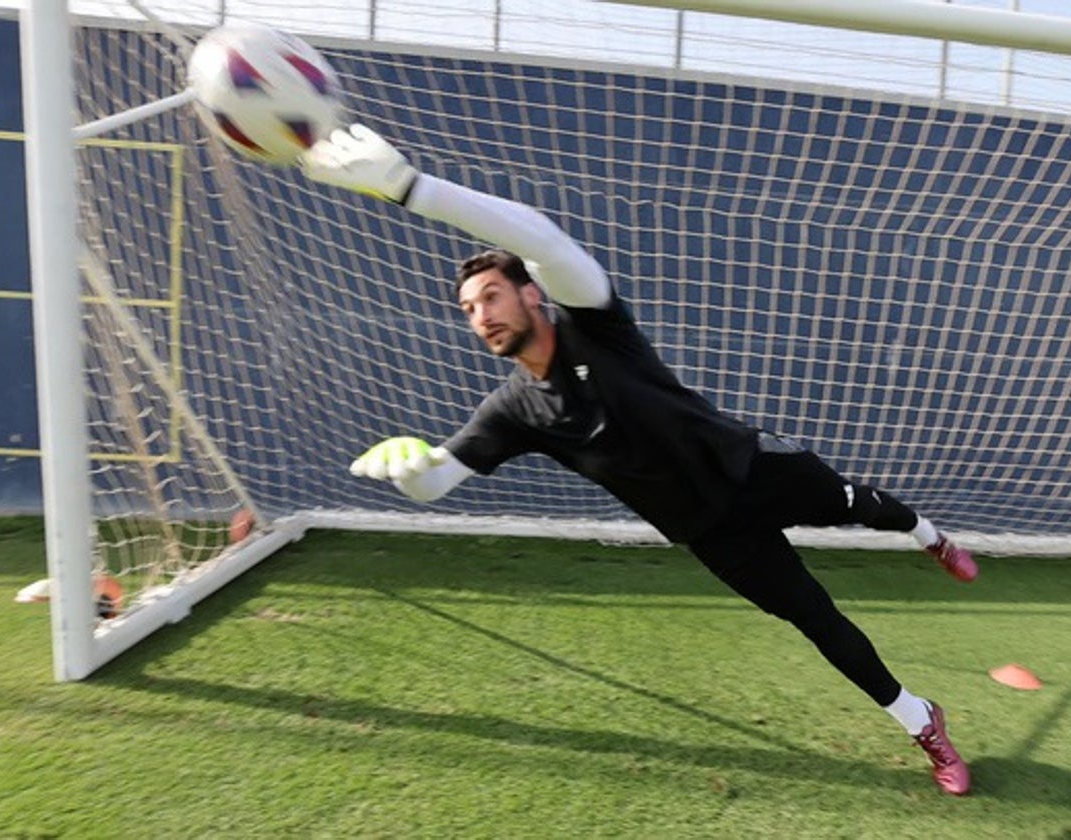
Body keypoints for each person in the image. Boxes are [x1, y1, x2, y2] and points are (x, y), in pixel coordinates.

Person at [301, 123, 977, 796]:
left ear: (530, 293)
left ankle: (931, 537)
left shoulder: (594, 320)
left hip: (750, 467)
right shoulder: (511, 411)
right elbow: (441, 479)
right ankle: (922, 721)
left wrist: (411, 188)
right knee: (818, 620)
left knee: (867, 507)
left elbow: (541, 239)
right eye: (469, 309)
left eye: (492, 297)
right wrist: (412, 470)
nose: (481, 317)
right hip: (711, 528)